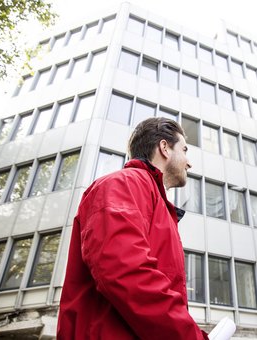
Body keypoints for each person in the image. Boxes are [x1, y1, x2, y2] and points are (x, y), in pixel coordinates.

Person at [57, 117, 209, 339]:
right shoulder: (123, 184)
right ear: (164, 148)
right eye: (184, 150)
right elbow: (123, 270)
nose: (189, 163)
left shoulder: (156, 204)